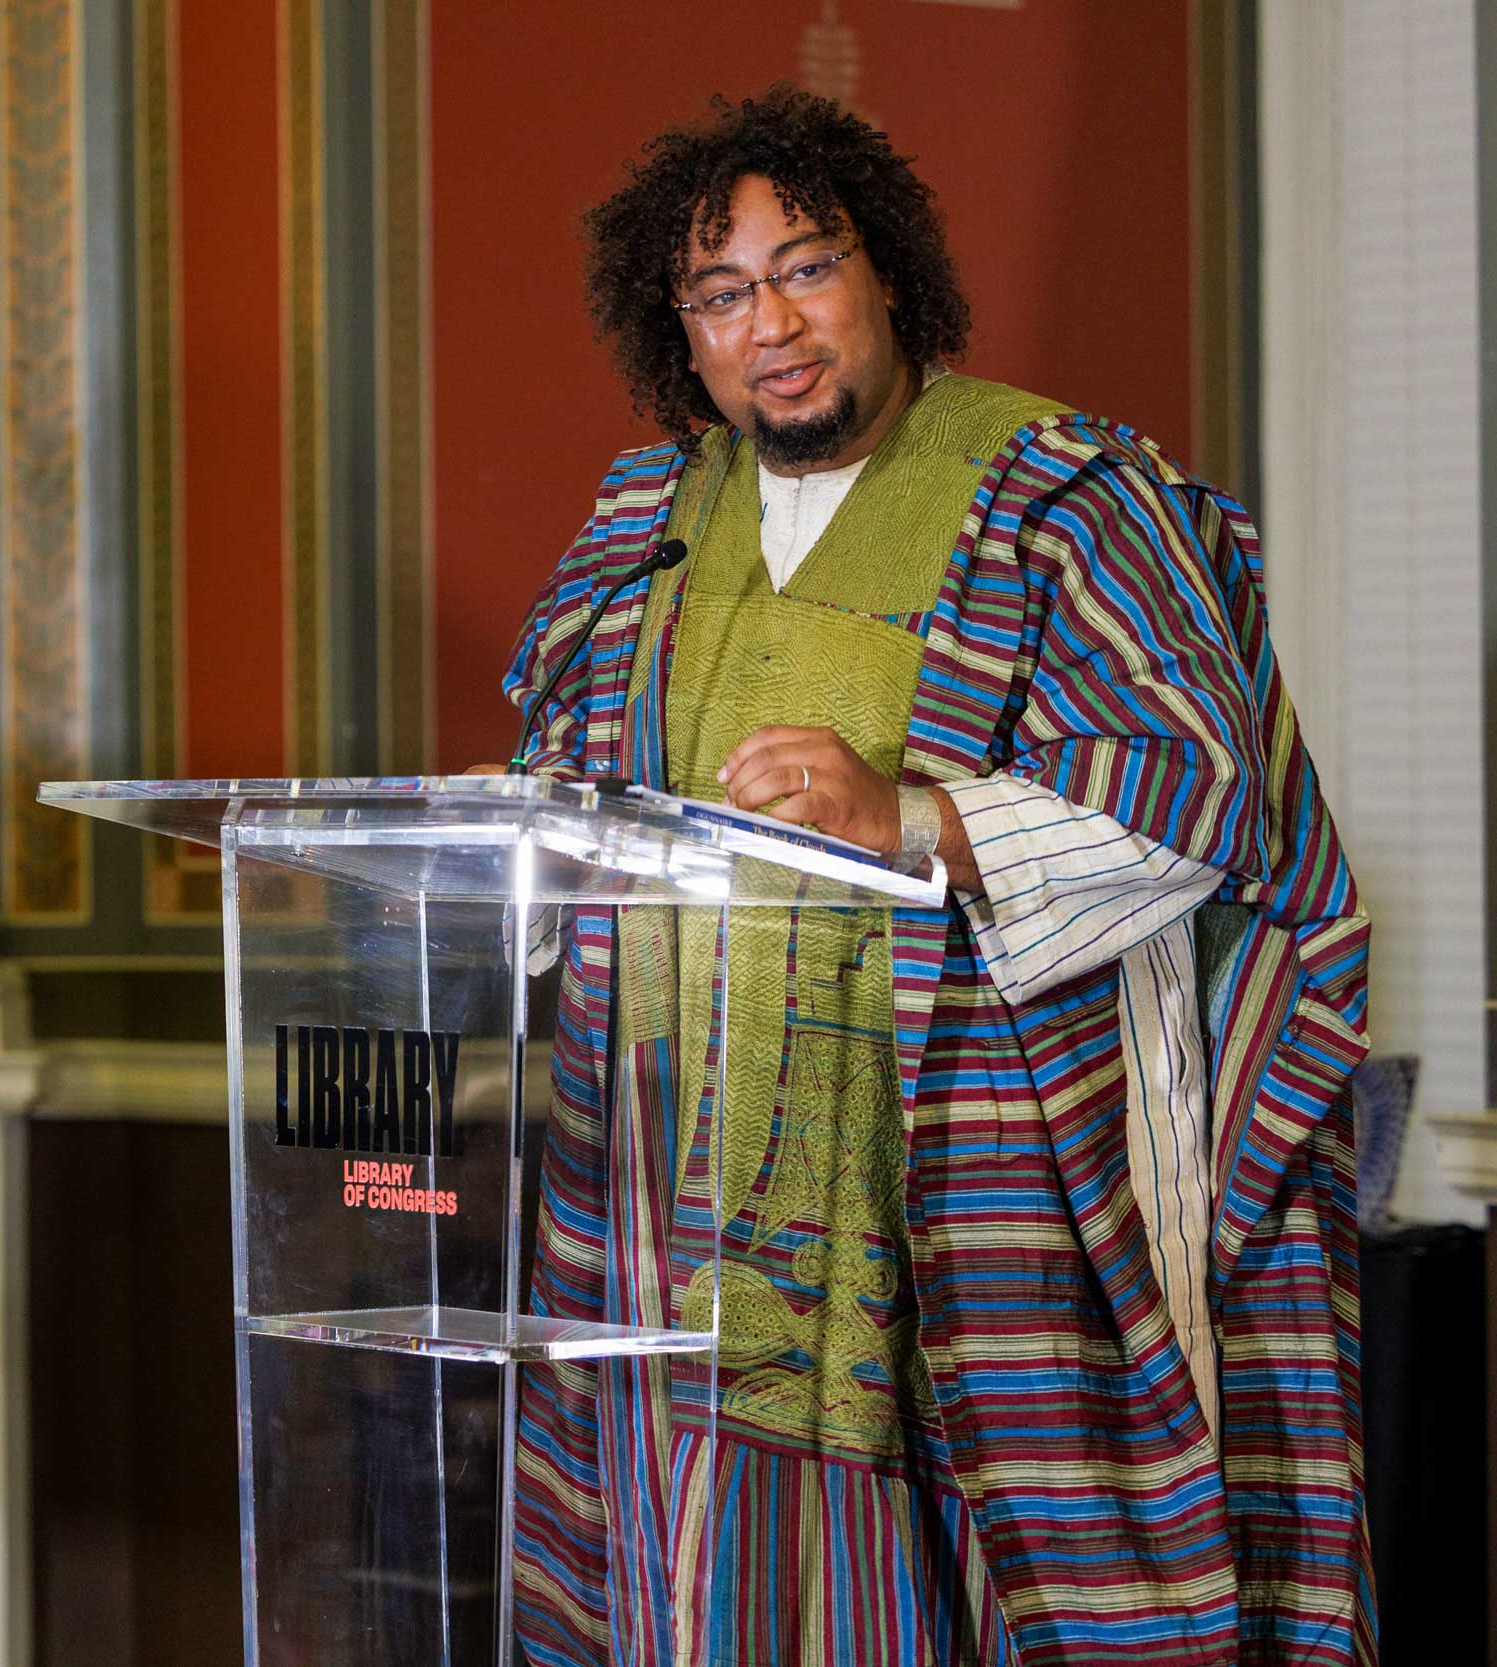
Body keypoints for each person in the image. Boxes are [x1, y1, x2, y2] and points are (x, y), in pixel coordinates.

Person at [501, 87, 1372, 1667]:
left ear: (885, 272)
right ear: (677, 332)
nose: (771, 323)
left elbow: (1198, 803)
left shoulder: (1062, 496)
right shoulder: (648, 524)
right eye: (721, 292)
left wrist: (913, 818)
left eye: (806, 267)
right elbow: (560, 807)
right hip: (675, 1188)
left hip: (978, 1180)